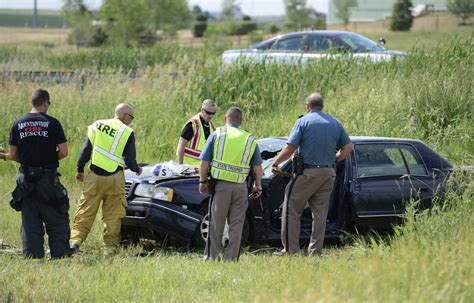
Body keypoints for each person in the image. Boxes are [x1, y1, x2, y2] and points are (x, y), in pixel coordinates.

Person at [271, 92, 353, 256]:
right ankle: (315, 252)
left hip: (308, 173)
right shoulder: (335, 123)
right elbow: (348, 147)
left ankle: (290, 249)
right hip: (328, 174)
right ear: (322, 106)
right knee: (320, 214)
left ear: (307, 106)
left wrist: (275, 163)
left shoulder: (303, 122)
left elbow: (290, 148)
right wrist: (336, 159)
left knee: (291, 208)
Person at [0, 88, 70, 259]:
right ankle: (59, 257)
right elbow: (64, 152)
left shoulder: (18, 124)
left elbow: (14, 155)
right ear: (45, 103)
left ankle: (33, 257)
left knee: (30, 219)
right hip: (48, 180)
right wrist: (48, 157)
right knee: (57, 216)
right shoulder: (53, 123)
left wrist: (3, 156)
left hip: (26, 180)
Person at [70, 103, 142, 255]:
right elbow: (130, 161)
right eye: (131, 117)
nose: (131, 120)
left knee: (86, 209)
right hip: (115, 179)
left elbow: (86, 150)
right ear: (125, 116)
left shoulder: (98, 125)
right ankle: (109, 249)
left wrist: (79, 169)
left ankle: (75, 241)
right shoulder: (127, 132)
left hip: (94, 177)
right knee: (113, 214)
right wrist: (137, 169)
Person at [199, 107, 263, 262]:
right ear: (241, 121)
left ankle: (211, 257)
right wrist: (257, 185)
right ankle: (231, 259)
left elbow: (204, 163)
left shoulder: (218, 134)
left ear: (225, 119)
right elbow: (258, 168)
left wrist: (202, 181)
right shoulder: (249, 139)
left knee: (216, 224)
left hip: (221, 187)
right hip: (240, 188)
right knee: (236, 226)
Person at [176, 99, 217, 165]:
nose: (210, 116)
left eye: (213, 113)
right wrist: (180, 165)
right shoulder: (193, 124)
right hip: (188, 167)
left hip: (202, 167)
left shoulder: (211, 125)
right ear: (202, 110)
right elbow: (181, 144)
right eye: (208, 113)